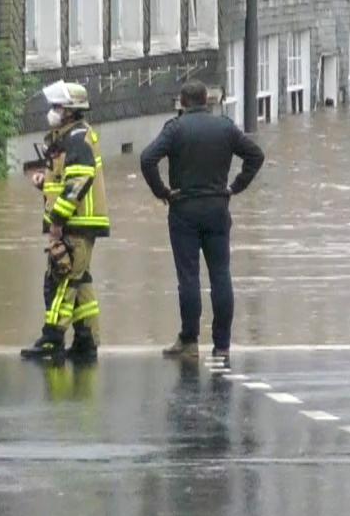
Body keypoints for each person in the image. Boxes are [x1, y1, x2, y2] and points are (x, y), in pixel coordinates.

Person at [139, 80, 265, 367]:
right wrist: (235, 187)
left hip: (183, 208)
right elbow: (256, 155)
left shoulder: (175, 128)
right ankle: (222, 346)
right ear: (207, 100)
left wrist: (163, 192)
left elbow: (147, 158)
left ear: (182, 102)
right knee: (221, 274)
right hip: (218, 207)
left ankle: (190, 341)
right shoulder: (225, 127)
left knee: (189, 277)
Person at [20, 82, 108, 363]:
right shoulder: (67, 138)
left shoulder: (77, 140)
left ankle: (52, 338)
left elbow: (78, 183)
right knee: (80, 281)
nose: (52, 112)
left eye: (57, 107)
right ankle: (86, 341)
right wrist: (43, 183)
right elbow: (64, 181)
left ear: (70, 111)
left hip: (75, 222)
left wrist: (58, 220)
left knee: (61, 278)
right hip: (77, 220)